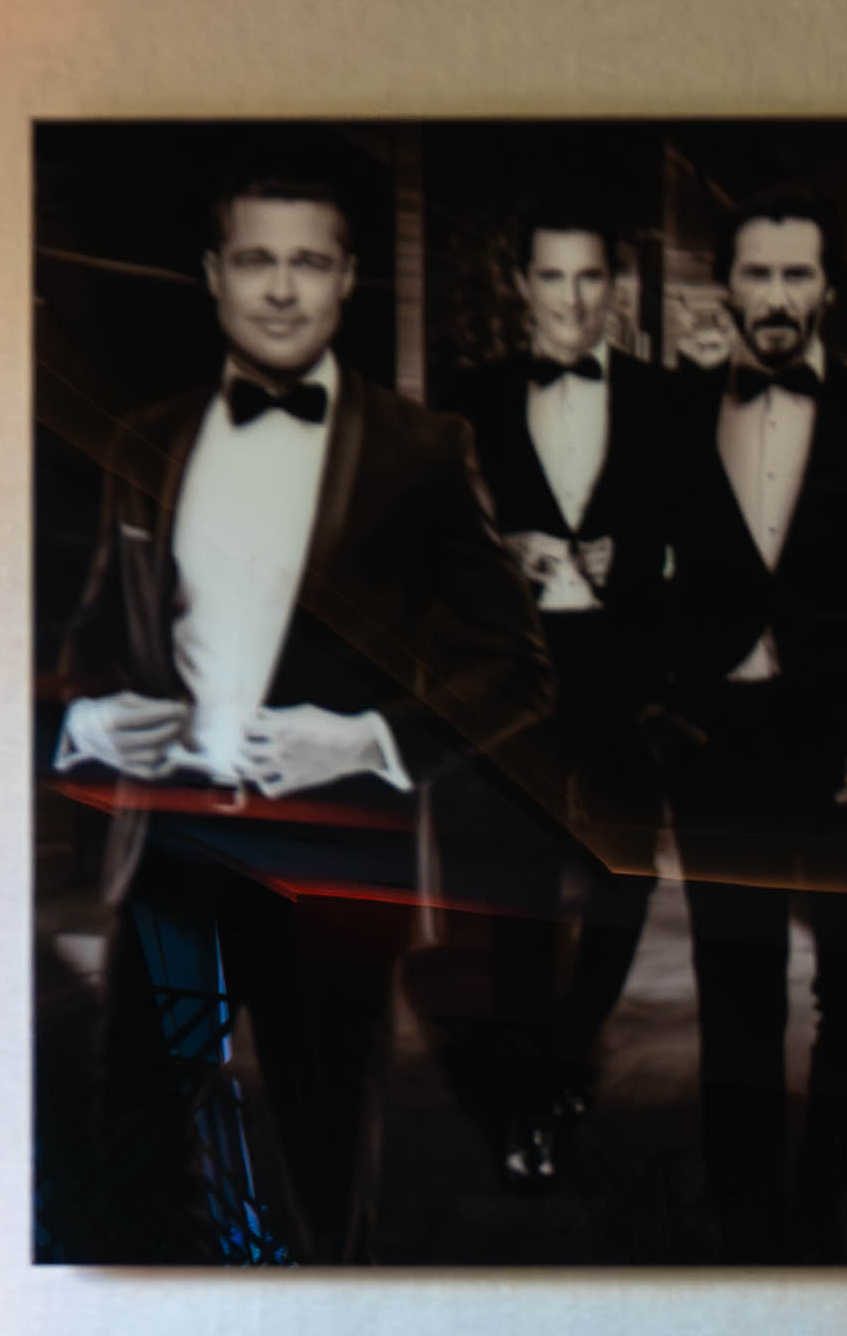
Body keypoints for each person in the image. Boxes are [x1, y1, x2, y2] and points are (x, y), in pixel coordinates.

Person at [49, 169, 544, 1261]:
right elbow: (95, 639)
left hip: (333, 870)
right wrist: (87, 721)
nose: (281, 289)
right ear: (214, 275)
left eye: (309, 262)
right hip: (174, 850)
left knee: (323, 1164)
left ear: (348, 279)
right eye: (257, 260)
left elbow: (516, 669)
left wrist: (372, 740)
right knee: (137, 1155)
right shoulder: (144, 440)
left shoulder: (423, 448)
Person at [640, 191, 847, 1258]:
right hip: (718, 751)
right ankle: (748, 1227)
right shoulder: (664, 413)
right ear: (724, 284)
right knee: (736, 999)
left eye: (796, 275)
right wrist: (657, 707)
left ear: (826, 290)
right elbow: (630, 582)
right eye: (756, 274)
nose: (774, 296)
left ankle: (822, 1199)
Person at [437, 206, 703, 1182]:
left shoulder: (668, 401)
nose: (572, 299)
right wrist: (500, 557)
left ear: (615, 289)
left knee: (625, 877)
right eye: (552, 278)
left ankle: (569, 1042)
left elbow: (702, 542)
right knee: (516, 888)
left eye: (590, 278)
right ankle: (525, 1093)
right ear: (522, 285)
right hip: (514, 679)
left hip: (624, 677)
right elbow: (431, 551)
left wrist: (637, 561)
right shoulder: (467, 402)